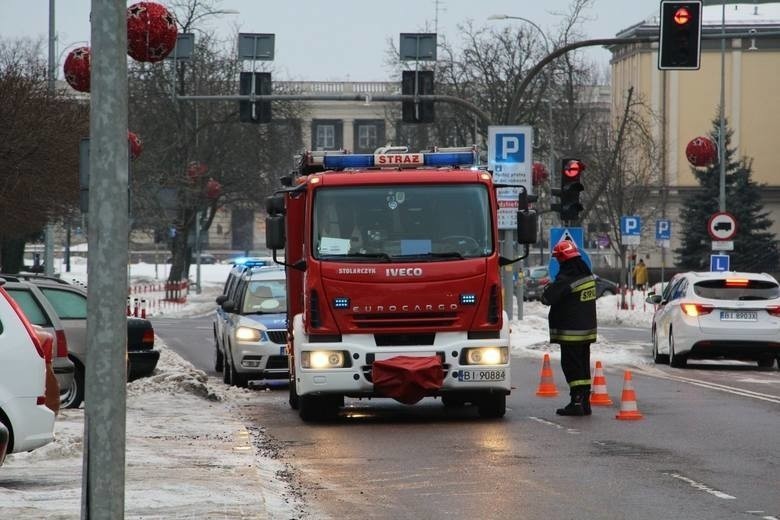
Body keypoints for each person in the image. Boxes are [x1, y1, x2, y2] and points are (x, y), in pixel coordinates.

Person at [541, 240, 598, 416]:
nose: (558, 264)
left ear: (564, 260)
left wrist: (549, 287)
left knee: (572, 367)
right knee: (582, 367)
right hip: (586, 331)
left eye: (559, 260)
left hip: (571, 333)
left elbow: (547, 298)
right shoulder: (587, 277)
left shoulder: (567, 279)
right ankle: (585, 402)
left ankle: (576, 402)